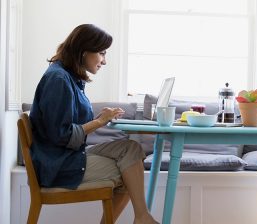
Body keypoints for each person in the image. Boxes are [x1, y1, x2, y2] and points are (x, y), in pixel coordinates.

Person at [29, 24, 159, 224]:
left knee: (132, 149)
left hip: (65, 157)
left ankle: (142, 217)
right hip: (58, 166)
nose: (104, 61)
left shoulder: (67, 77)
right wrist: (100, 121)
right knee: (130, 169)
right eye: (102, 53)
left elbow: (65, 123)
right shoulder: (59, 79)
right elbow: (62, 135)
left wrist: (102, 117)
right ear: (83, 51)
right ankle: (142, 218)